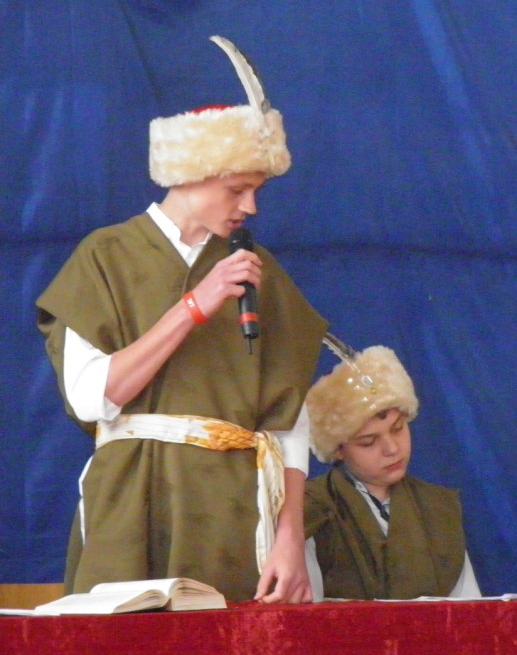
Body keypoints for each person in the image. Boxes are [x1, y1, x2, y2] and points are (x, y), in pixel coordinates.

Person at [36, 36, 327, 603]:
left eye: (257, 191)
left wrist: (290, 534)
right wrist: (195, 306)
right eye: (237, 189)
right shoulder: (105, 256)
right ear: (192, 174)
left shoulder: (258, 271)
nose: (251, 207)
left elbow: (289, 425)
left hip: (235, 507)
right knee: (126, 651)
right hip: (132, 497)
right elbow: (93, 399)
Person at [303, 338, 481, 600]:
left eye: (398, 429)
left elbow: (469, 608)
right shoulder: (310, 511)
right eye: (368, 441)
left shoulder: (439, 508)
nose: (392, 449)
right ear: (338, 449)